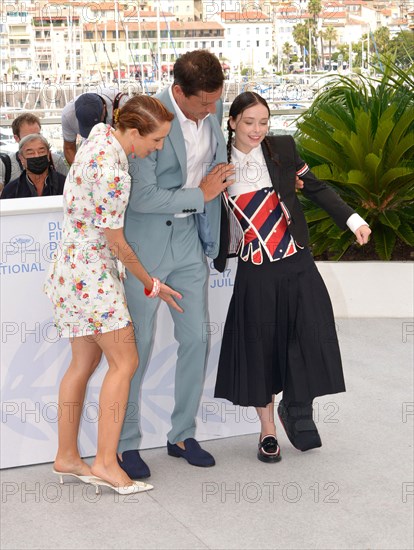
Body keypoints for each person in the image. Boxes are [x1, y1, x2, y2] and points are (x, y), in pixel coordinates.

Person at [214, 92, 372, 463]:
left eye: (263, 121)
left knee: (312, 335)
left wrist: (353, 220)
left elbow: (314, 187)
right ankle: (267, 432)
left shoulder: (282, 148)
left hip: (295, 261)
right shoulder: (216, 162)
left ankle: (297, 409)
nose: (257, 129)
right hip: (255, 271)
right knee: (260, 349)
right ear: (233, 121)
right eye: (249, 121)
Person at [44, 96, 183, 495]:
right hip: (92, 275)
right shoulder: (114, 172)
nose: (157, 149)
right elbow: (118, 242)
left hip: (71, 269)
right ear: (134, 132)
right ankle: (105, 461)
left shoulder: (98, 137)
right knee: (126, 361)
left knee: (82, 364)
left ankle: (67, 456)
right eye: (155, 141)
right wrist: (151, 282)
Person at [117, 50, 235, 479]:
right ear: (179, 91)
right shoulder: (150, 116)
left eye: (215, 101)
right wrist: (200, 194)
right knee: (139, 348)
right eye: (203, 103)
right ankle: (126, 443)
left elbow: (221, 160)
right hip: (145, 247)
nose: (210, 109)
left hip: (190, 243)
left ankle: (182, 433)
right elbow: (143, 197)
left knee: (196, 341)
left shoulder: (213, 103)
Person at [0, 112, 68, 192]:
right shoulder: (5, 164)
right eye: (28, 137)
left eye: (38, 135)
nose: (34, 140)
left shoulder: (56, 160)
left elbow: (68, 188)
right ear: (16, 138)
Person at [62, 88, 129, 165]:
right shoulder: (68, 116)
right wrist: (80, 170)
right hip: (89, 145)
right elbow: (69, 148)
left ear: (104, 109)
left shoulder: (123, 105)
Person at [1, 134, 66, 199]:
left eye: (41, 151)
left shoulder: (65, 185)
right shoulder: (10, 191)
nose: (37, 156)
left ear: (48, 155)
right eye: (30, 153)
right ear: (21, 158)